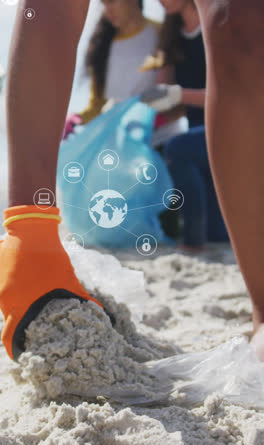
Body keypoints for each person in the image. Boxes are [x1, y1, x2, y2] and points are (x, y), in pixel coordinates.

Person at [1, 0, 264, 363]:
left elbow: (172, 91)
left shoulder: (160, 36)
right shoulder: (120, 42)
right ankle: (28, 247)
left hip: (183, 142)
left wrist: (164, 103)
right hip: (162, 144)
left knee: (239, 18)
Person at [143, 0, 229, 252]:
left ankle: (192, 241)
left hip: (227, 132)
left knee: (176, 148)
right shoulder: (171, 34)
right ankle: (203, 237)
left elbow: (227, 96)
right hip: (198, 137)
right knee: (218, 234)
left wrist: (179, 94)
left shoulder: (216, 27)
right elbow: (163, 94)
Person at [63, 0, 160, 139]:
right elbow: (98, 107)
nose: (107, 11)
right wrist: (76, 119)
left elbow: (174, 93)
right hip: (116, 141)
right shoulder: (101, 44)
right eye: (103, 4)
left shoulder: (161, 34)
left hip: (157, 141)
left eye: (112, 2)